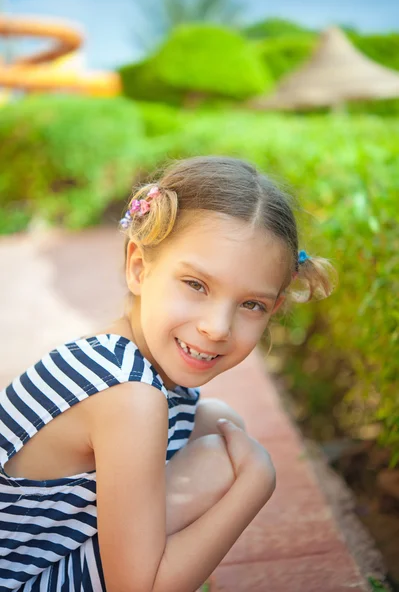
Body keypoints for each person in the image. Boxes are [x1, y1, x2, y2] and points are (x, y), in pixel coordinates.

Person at [0, 156, 336, 591]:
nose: (217, 327)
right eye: (196, 285)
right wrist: (254, 485)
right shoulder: (128, 394)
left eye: (250, 304)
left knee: (215, 421)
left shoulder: (124, 362)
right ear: (139, 267)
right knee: (224, 463)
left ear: (272, 309)